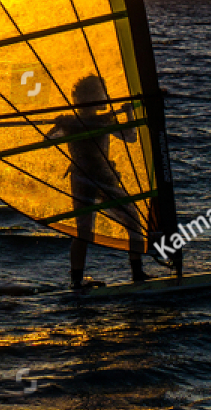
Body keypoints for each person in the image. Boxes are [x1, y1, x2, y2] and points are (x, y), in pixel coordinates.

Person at [46, 74, 150, 292]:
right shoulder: (75, 121)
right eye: (98, 94)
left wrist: (128, 112)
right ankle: (133, 273)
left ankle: (131, 273)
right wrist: (58, 125)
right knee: (87, 230)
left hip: (96, 177)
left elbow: (130, 137)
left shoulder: (94, 120)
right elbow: (47, 142)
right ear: (85, 98)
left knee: (126, 222)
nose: (102, 98)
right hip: (89, 178)